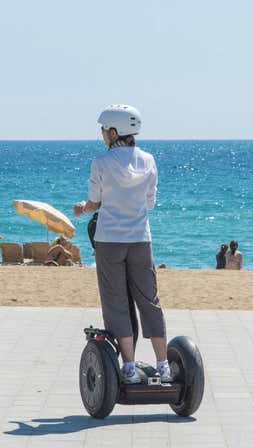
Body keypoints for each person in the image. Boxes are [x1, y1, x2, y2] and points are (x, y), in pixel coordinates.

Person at [73, 104, 170, 384]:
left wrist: (83, 209)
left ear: (114, 132)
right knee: (149, 300)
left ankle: (129, 367)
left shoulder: (101, 163)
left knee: (115, 301)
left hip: (109, 241)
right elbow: (149, 202)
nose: (103, 135)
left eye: (104, 130)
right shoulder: (149, 161)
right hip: (140, 239)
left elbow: (94, 202)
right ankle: (163, 364)